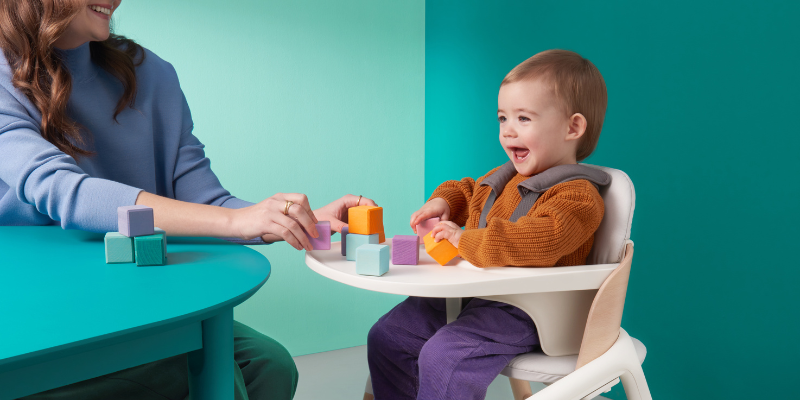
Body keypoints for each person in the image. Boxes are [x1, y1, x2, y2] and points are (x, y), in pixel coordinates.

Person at [0, 1, 376, 399]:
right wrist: (238, 222)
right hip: (40, 315)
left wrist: (288, 219)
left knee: (269, 365)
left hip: (141, 296)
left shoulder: (148, 71)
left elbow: (206, 202)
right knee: (212, 378)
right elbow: (63, 191)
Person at [365, 49, 611, 400]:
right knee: (390, 335)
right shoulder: (505, 178)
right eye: (502, 118)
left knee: (446, 357)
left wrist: (465, 240)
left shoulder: (578, 197)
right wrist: (444, 203)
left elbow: (541, 240)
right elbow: (469, 192)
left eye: (523, 118)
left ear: (572, 127)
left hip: (532, 311)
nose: (508, 131)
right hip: (477, 296)